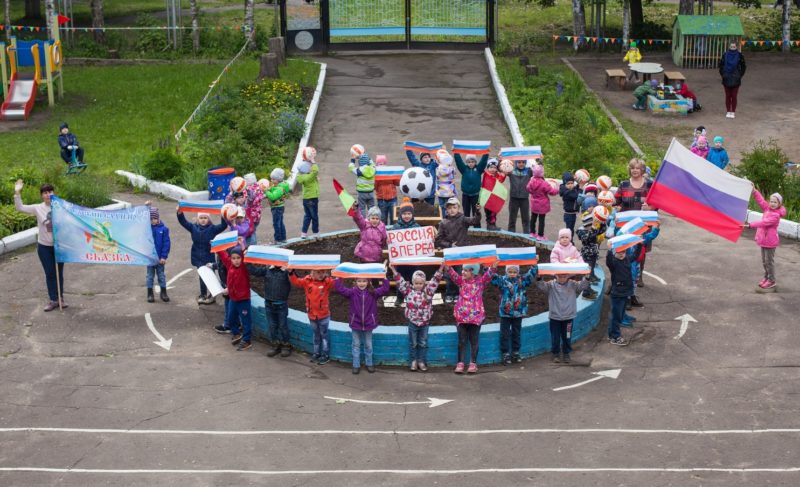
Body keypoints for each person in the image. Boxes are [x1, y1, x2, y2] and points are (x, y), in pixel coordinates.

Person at [13, 179, 66, 311]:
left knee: (59, 273)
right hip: (44, 247)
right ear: (42, 195)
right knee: (50, 273)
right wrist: (17, 192)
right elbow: (20, 208)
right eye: (45, 192)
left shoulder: (61, 207)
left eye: (50, 192)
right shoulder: (38, 208)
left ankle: (61, 298)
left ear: (54, 193)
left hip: (59, 247)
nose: (48, 194)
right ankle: (53, 300)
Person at [391, 264, 444, 372]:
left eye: (421, 283)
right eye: (416, 283)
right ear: (412, 283)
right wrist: (393, 270)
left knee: (423, 343)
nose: (418, 285)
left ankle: (421, 361)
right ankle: (413, 361)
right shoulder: (408, 291)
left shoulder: (428, 291)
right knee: (413, 343)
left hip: (424, 323)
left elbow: (435, 280)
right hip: (413, 322)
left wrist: (441, 268)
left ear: (424, 283)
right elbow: (400, 281)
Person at [446, 262, 496, 374]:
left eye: (466, 270)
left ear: (473, 272)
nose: (462, 272)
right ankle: (460, 362)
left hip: (475, 317)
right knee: (462, 341)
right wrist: (447, 267)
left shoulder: (480, 282)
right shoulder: (461, 281)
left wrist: (493, 266)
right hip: (462, 317)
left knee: (474, 341)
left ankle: (473, 363)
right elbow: (453, 275)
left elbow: (489, 274)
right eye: (463, 270)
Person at [335, 276, 391, 374]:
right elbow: (340, 289)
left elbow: (385, 289)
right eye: (359, 281)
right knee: (356, 345)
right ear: (355, 282)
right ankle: (356, 365)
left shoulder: (373, 293)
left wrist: (383, 278)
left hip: (369, 323)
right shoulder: (352, 293)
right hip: (355, 323)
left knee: (368, 345)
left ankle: (369, 363)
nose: (362, 283)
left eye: (364, 281)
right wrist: (339, 278)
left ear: (368, 282)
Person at [615, 158, 655, 286]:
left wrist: (649, 208)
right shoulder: (624, 184)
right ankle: (620, 276)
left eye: (637, 168)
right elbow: (617, 201)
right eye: (632, 168)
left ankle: (639, 275)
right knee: (623, 248)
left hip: (643, 225)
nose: (635, 170)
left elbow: (656, 203)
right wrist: (613, 205)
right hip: (626, 224)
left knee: (640, 250)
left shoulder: (649, 185)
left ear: (642, 170)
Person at [176, 209, 228, 304]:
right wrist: (179, 213)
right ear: (197, 219)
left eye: (205, 218)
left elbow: (224, 225)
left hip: (208, 257)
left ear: (208, 219)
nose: (203, 220)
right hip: (197, 257)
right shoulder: (193, 227)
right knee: (202, 276)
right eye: (201, 218)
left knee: (211, 276)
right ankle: (203, 294)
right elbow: (183, 222)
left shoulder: (212, 229)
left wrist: (222, 216)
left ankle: (213, 294)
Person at [436, 197, 481, 303]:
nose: (452, 210)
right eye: (450, 208)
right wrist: (449, 245)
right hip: (449, 252)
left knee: (460, 273)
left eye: (454, 207)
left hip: (461, 252)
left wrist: (477, 211)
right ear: (446, 209)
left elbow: (475, 220)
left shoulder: (463, 219)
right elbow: (438, 240)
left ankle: (458, 293)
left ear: (458, 208)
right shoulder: (443, 222)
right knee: (449, 274)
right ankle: (449, 293)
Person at [536, 273, 590, 363]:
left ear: (568, 276)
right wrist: (539, 278)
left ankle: (566, 353)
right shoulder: (551, 285)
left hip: (568, 317)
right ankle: (555, 353)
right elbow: (542, 286)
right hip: (555, 317)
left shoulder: (573, 284)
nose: (562, 279)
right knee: (555, 337)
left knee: (567, 336)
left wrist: (587, 277)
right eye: (559, 276)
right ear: (555, 276)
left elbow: (582, 286)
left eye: (564, 277)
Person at [491, 264, 537, 365]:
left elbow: (530, 275)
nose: (512, 274)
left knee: (516, 333)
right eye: (510, 272)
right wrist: (491, 268)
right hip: (505, 313)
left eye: (514, 272)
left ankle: (516, 352)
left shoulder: (522, 280)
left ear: (518, 272)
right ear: (506, 272)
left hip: (518, 312)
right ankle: (505, 353)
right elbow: (493, 277)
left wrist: (534, 265)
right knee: (504, 334)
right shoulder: (502, 281)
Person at [289, 269, 335, 365]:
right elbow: (296, 282)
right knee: (316, 335)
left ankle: (325, 355)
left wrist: (335, 273)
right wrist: (291, 272)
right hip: (312, 315)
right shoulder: (307, 281)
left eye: (323, 272)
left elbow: (336, 283)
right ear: (312, 272)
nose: (321, 274)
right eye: (318, 272)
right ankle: (316, 353)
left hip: (323, 315)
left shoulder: (327, 282)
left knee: (324, 336)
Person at [744, 189, 786, 290]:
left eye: (775, 202)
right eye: (771, 201)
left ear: (779, 204)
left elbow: (763, 223)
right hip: (763, 240)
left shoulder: (776, 216)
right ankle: (766, 277)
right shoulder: (767, 209)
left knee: (769, 262)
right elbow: (761, 201)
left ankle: (771, 281)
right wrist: (754, 191)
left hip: (771, 242)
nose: (772, 203)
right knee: (764, 261)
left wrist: (750, 225)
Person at [249, 263, 292, 357]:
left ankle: (286, 345)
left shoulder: (286, 272)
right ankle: (275, 345)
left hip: (281, 305)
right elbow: (255, 271)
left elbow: (295, 281)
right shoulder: (267, 269)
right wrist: (247, 260)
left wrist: (291, 271)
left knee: (282, 326)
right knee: (272, 326)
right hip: (269, 304)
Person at [216, 247, 252, 351]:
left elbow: (246, 257)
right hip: (233, 299)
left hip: (243, 300)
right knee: (231, 318)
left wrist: (244, 248)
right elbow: (223, 255)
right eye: (233, 258)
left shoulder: (244, 267)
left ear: (242, 258)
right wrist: (216, 246)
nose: (236, 260)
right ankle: (236, 334)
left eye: (238, 258)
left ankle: (247, 340)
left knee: (246, 321)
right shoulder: (229, 265)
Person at [392, 198, 421, 305]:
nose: (407, 216)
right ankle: (399, 297)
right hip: (401, 260)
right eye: (404, 214)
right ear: (400, 215)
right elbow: (392, 241)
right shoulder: (395, 227)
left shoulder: (417, 227)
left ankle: (415, 297)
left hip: (414, 260)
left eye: (409, 213)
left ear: (412, 214)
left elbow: (422, 241)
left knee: (415, 278)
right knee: (400, 279)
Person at [575, 198, 604, 300]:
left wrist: (602, 221)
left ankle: (589, 288)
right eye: (590, 225)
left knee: (590, 272)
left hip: (593, 254)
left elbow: (601, 230)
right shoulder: (582, 232)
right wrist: (593, 228)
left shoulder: (593, 230)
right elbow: (588, 239)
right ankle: (585, 292)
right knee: (587, 274)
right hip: (587, 255)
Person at [606, 248, 633, 346]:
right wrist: (609, 250)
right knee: (616, 316)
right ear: (614, 253)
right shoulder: (614, 263)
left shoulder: (627, 259)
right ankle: (615, 337)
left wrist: (639, 245)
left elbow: (635, 257)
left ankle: (611, 334)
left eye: (623, 252)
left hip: (626, 292)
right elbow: (608, 261)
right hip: (617, 294)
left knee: (620, 315)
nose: (621, 254)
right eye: (619, 252)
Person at [526, 164, 559, 241]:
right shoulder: (544, 183)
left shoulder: (531, 181)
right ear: (542, 173)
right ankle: (540, 235)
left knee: (533, 218)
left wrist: (533, 193)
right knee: (541, 220)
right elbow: (552, 192)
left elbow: (528, 188)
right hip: (542, 204)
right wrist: (558, 189)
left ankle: (532, 232)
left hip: (534, 203)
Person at [146, 204, 171, 303]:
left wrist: (164, 257)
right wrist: (146, 207)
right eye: (151, 219)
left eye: (154, 218)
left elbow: (166, 243)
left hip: (160, 258)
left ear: (158, 218)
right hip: (150, 258)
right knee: (149, 276)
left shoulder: (164, 229)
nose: (152, 221)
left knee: (161, 275)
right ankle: (150, 293)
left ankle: (163, 292)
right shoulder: (147, 229)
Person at [455, 153, 488, 223]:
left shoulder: (479, 169)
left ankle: (477, 228)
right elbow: (459, 161)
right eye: (469, 162)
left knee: (476, 212)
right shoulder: (463, 169)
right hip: (465, 195)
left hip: (476, 195)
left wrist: (486, 153)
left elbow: (483, 161)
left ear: (475, 162)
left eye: (472, 162)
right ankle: (465, 227)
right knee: (466, 212)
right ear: (466, 162)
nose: (471, 164)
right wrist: (456, 153)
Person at [296, 151, 320, 238]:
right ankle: (316, 232)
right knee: (314, 216)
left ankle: (304, 233)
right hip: (312, 198)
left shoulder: (301, 176)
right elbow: (316, 171)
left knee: (307, 216)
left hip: (305, 199)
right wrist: (313, 162)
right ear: (307, 170)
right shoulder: (310, 176)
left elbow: (311, 173)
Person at [719, 42, 746, 119]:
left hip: (736, 78)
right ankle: (728, 111)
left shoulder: (740, 55)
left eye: (734, 46)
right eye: (731, 46)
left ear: (736, 47)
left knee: (734, 96)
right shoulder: (725, 55)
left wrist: (739, 75)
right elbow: (721, 65)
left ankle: (733, 111)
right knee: (728, 96)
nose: (732, 48)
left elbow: (743, 66)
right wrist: (723, 74)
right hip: (726, 77)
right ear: (729, 47)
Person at [507, 159, 532, 234]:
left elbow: (539, 170)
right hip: (513, 197)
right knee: (512, 217)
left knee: (526, 218)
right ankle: (511, 234)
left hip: (524, 198)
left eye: (523, 162)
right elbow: (501, 168)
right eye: (519, 162)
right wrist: (500, 159)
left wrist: (540, 160)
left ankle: (527, 234)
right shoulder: (511, 170)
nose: (521, 164)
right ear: (516, 163)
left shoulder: (529, 171)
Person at [266, 168, 290, 244]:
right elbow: (274, 189)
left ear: (278, 179)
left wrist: (266, 191)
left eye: (273, 179)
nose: (271, 181)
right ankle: (283, 238)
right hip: (280, 207)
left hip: (277, 208)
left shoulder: (279, 188)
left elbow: (273, 197)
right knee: (280, 222)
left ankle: (278, 239)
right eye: (271, 179)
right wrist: (270, 189)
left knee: (276, 223)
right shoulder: (280, 185)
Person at [482, 158, 506, 230]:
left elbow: (501, 179)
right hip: (487, 198)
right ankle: (489, 225)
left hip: (494, 198)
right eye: (491, 167)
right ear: (487, 168)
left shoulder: (497, 176)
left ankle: (493, 225)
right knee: (488, 213)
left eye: (494, 168)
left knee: (494, 213)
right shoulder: (486, 175)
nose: (492, 169)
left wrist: (500, 161)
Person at [374, 154, 399, 225]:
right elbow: (375, 187)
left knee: (394, 218)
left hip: (393, 198)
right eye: (379, 164)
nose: (381, 166)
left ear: (386, 164)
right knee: (382, 219)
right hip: (382, 199)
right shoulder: (376, 174)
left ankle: (393, 233)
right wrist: (377, 178)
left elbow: (397, 183)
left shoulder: (390, 172)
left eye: (383, 164)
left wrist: (397, 176)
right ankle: (383, 233)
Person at [350, 152, 377, 216]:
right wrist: (369, 158)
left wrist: (353, 160)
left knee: (362, 208)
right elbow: (372, 163)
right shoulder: (373, 169)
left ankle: (363, 221)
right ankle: (372, 220)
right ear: (368, 162)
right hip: (370, 192)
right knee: (372, 208)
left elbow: (351, 168)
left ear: (360, 162)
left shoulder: (359, 170)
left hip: (361, 193)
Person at [559, 172, 580, 243]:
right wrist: (578, 187)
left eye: (572, 183)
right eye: (568, 184)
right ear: (565, 184)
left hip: (572, 214)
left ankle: (570, 241)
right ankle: (569, 242)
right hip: (569, 215)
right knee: (569, 229)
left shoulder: (571, 190)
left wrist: (578, 182)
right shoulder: (567, 193)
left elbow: (576, 189)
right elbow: (576, 195)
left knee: (571, 229)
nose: (571, 185)